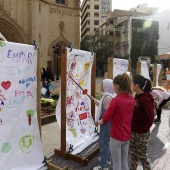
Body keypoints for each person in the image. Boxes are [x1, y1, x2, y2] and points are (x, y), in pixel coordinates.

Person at [95, 72, 135, 170]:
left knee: (116, 165)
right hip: (126, 135)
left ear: (116, 86)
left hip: (116, 136)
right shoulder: (131, 99)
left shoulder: (116, 100)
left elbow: (106, 117)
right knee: (124, 163)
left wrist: (98, 122)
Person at [130, 75, 154, 170]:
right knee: (134, 155)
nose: (130, 85)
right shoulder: (138, 96)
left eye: (132, 83)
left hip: (141, 134)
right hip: (134, 131)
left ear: (136, 85)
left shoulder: (146, 99)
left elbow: (148, 119)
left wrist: (135, 109)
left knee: (142, 157)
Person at [92, 79, 116, 170]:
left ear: (106, 86)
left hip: (106, 125)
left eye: (102, 84)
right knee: (108, 143)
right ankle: (107, 159)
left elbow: (107, 116)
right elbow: (104, 106)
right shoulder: (109, 96)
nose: (101, 86)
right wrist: (94, 100)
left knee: (103, 144)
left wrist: (98, 122)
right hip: (109, 125)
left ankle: (103, 166)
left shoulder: (107, 98)